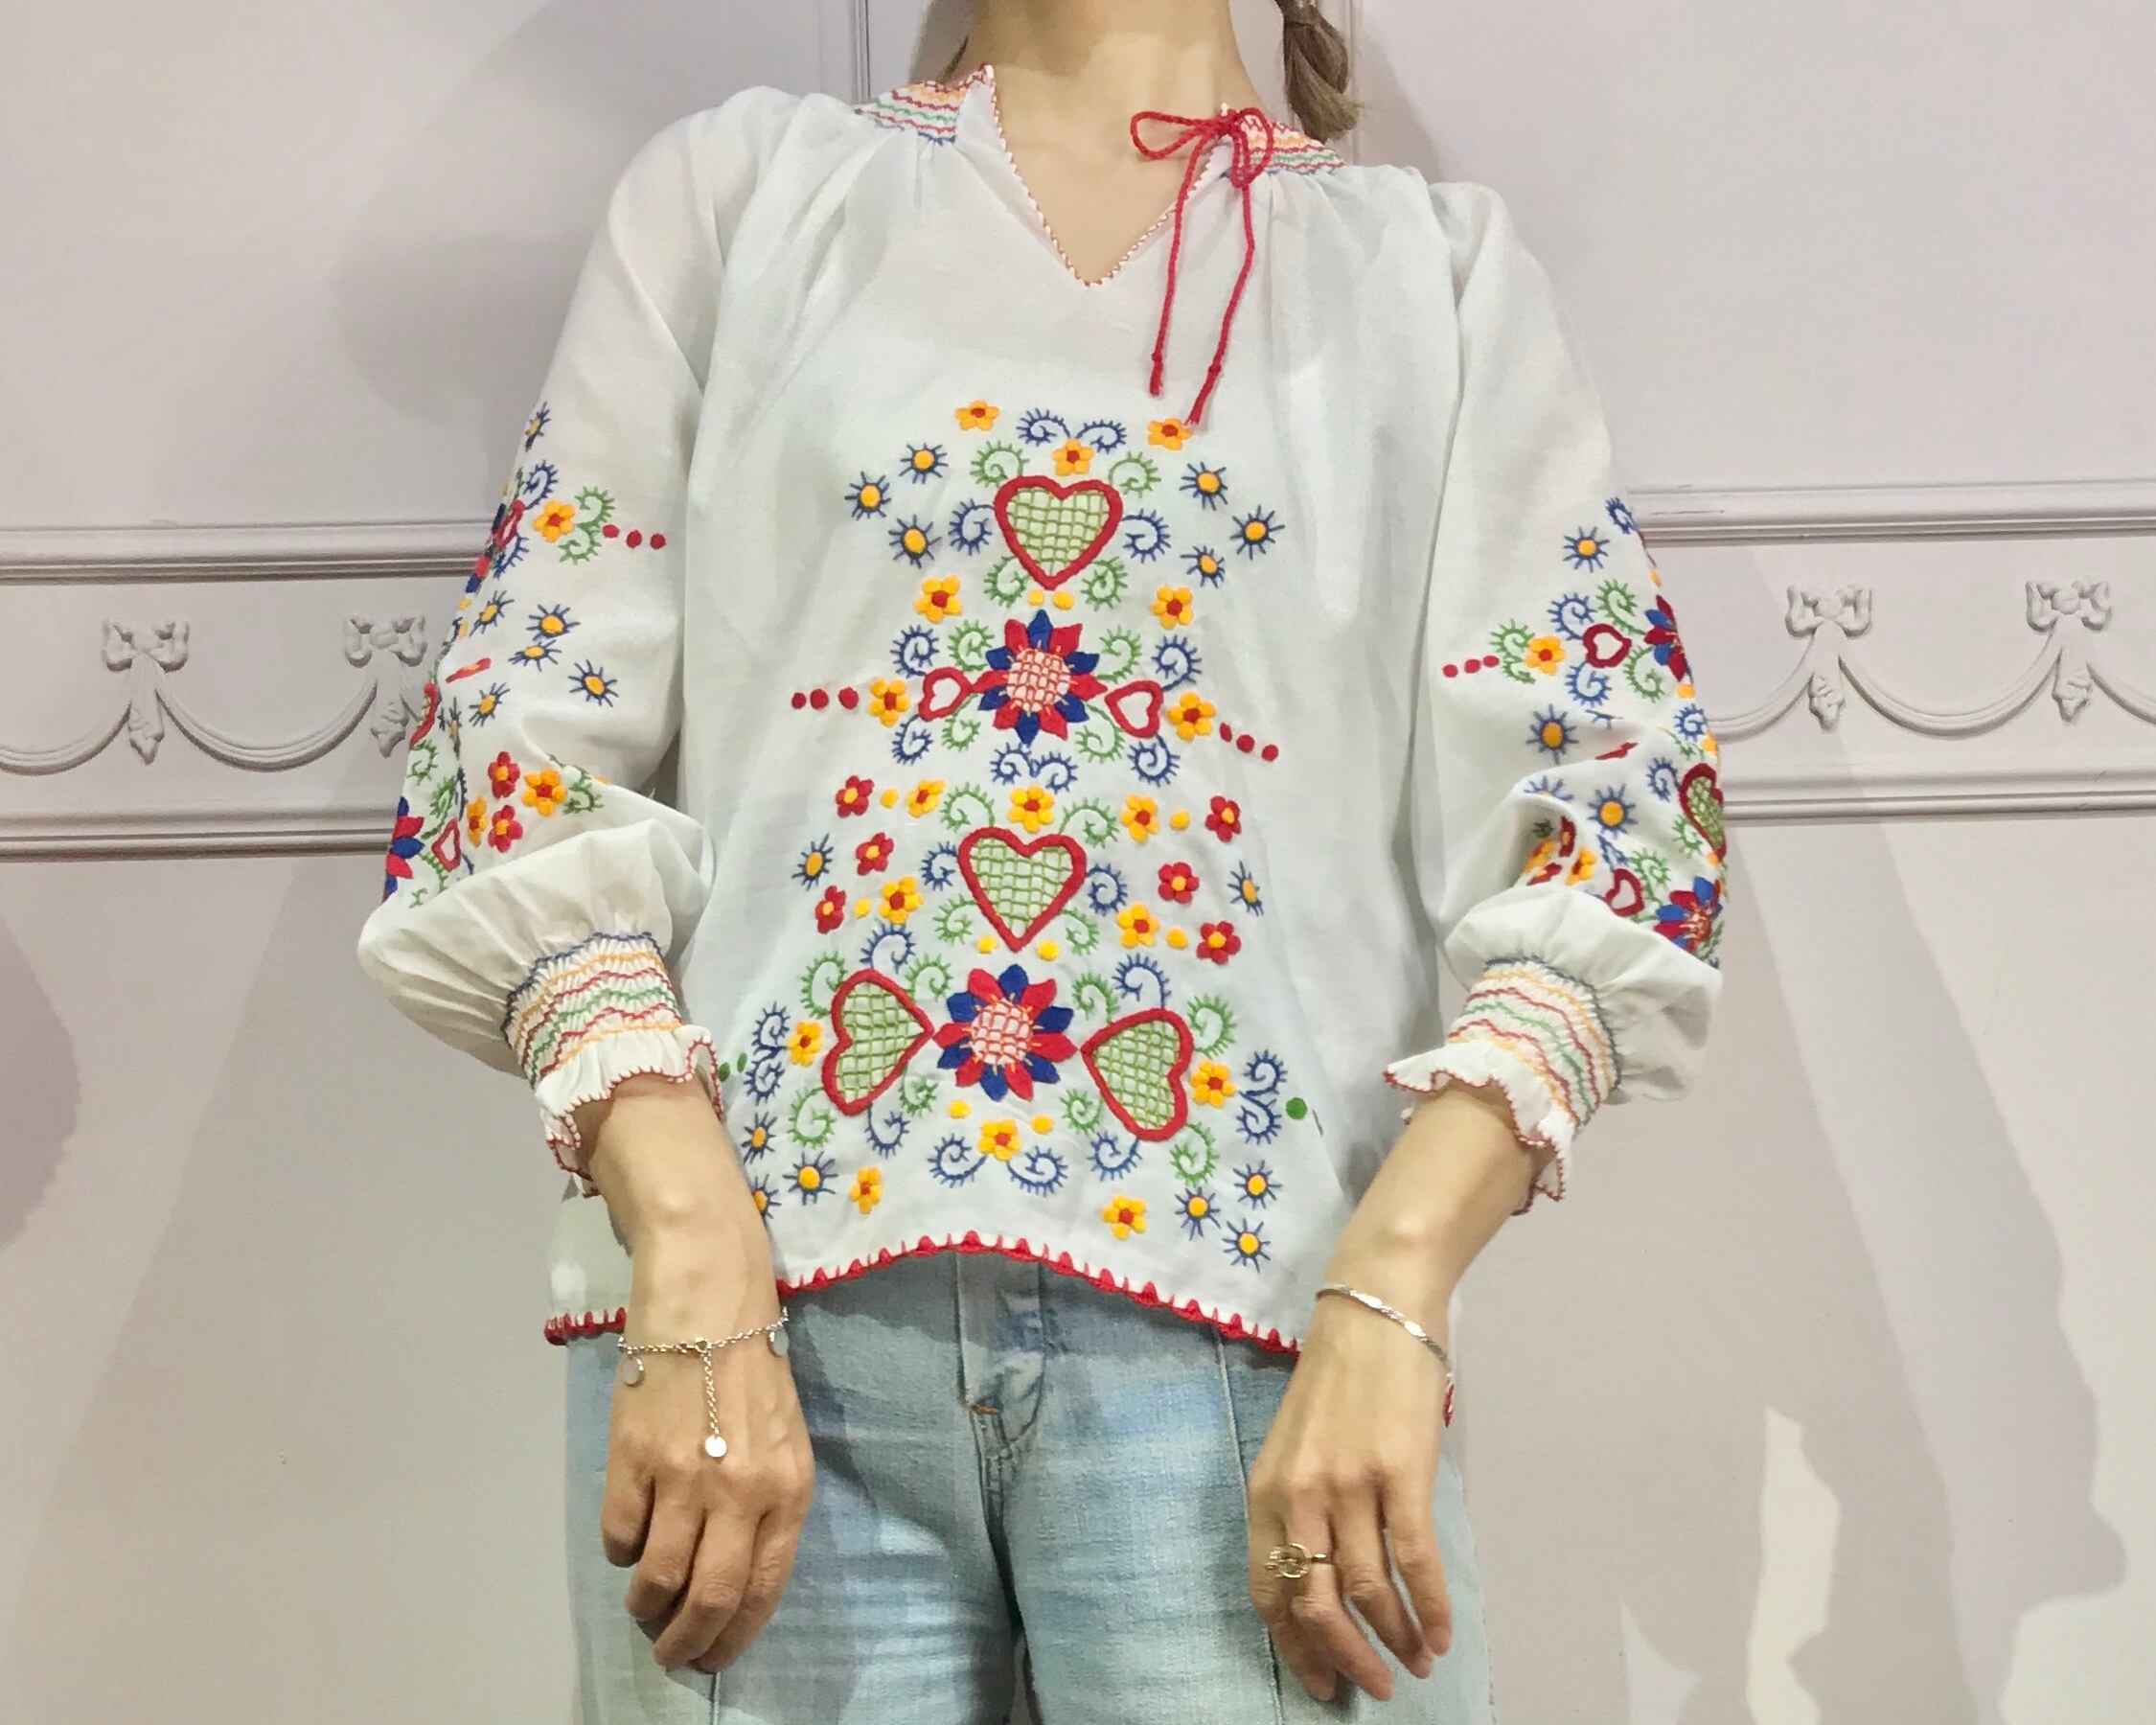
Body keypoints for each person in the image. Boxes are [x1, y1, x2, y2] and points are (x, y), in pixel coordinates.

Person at [356, 2, 1729, 1718]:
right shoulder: (744, 198)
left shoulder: (1427, 278)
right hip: (748, 1350)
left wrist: (1394, 1290)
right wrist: (690, 1240)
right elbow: (517, 745)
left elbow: (1617, 820)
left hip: (1264, 1358)